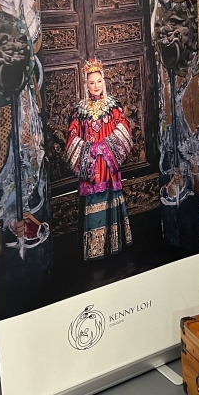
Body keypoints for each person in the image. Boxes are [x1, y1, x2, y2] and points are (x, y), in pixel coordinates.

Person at [66, 58, 134, 260]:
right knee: (93, 203)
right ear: (86, 85)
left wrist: (105, 147)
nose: (95, 86)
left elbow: (124, 129)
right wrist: (89, 150)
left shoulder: (113, 107)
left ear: (104, 81)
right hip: (91, 165)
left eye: (98, 81)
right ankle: (94, 250)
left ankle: (113, 245)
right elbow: (72, 135)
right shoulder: (80, 110)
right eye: (91, 82)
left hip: (108, 163)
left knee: (110, 199)